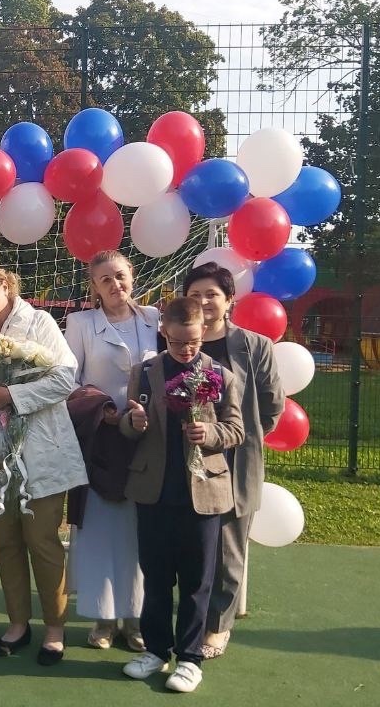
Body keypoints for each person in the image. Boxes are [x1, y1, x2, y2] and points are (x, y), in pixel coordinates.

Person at [0, 262, 88, 667]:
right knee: (5, 540)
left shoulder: (40, 321)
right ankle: (18, 623)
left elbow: (65, 379)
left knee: (41, 539)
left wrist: (13, 395)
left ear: (6, 285)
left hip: (39, 449)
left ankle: (55, 628)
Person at [119, 297, 244, 693]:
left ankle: (190, 659)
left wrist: (211, 434)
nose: (186, 350)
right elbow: (127, 426)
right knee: (155, 578)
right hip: (154, 491)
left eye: (193, 342)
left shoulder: (221, 375)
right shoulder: (144, 372)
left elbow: (236, 430)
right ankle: (156, 650)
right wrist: (133, 422)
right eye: (177, 342)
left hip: (204, 493)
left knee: (196, 582)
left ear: (203, 332)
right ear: (164, 333)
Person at [182, 262, 285, 659]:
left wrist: (235, 436)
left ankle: (217, 627)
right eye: (195, 295)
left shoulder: (255, 346)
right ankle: (188, 616)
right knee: (188, 544)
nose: (204, 301)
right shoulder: (175, 341)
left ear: (229, 300)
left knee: (228, 547)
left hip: (234, 458)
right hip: (183, 458)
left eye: (212, 294)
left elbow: (271, 407)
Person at [64, 250, 160, 651]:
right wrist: (101, 408)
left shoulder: (155, 319)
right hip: (100, 440)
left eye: (120, 275)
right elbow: (68, 380)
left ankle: (135, 620)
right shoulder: (80, 324)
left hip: (148, 440)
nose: (115, 284)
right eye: (105, 279)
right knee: (101, 532)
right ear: (95, 287)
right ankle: (103, 619)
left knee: (140, 532)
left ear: (132, 275)